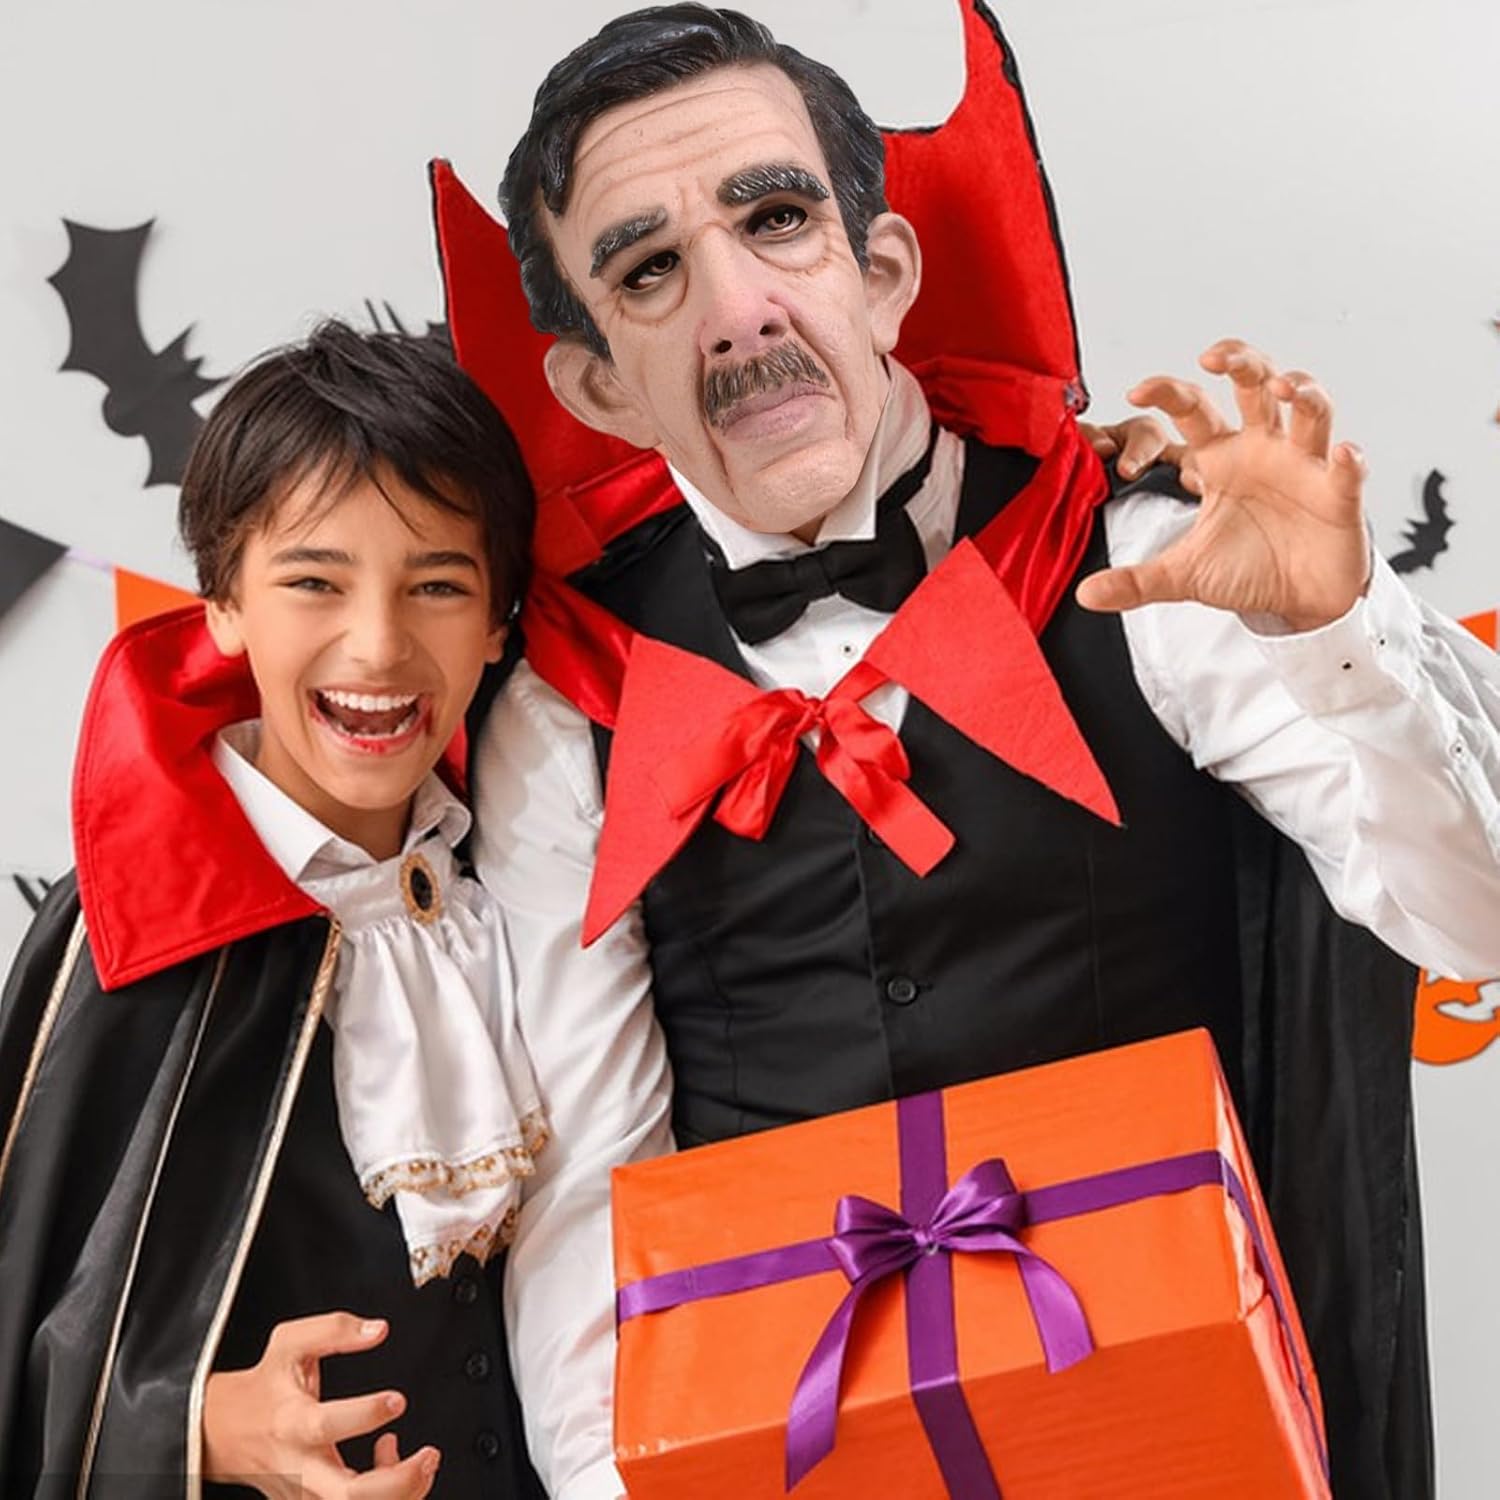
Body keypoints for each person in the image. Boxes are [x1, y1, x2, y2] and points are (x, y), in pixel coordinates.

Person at [460, 5, 1500, 1498]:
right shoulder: (568, 701)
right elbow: (586, 1211)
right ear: (599, 386)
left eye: (776, 219)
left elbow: (1475, 920)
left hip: (1193, 1438)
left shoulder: (1144, 556)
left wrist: (1331, 629)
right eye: (649, 271)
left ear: (881, 270)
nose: (737, 309)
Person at [0, 322, 553, 1500]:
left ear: (501, 619)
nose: (378, 646)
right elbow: (19, 1343)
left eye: (438, 586)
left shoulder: (532, 865)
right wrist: (192, 1425)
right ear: (223, 604)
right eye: (313, 582)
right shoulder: (137, 923)